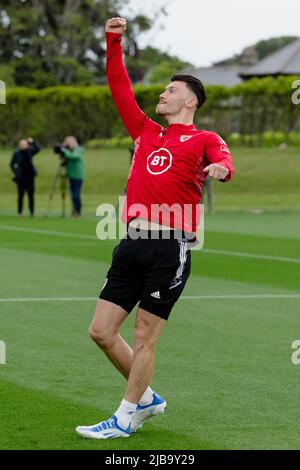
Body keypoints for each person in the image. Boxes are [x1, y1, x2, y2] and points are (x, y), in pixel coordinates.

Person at [76, 17, 234, 440]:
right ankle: (146, 400)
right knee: (101, 331)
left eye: (171, 90)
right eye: (164, 89)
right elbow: (119, 87)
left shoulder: (204, 139)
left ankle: (125, 417)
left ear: (189, 102)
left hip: (170, 247)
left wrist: (220, 168)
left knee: (145, 336)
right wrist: (112, 40)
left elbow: (225, 159)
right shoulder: (146, 131)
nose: (163, 94)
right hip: (131, 243)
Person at [10, 137, 40, 217]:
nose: (23, 146)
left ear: (27, 145)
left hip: (30, 177)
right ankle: (19, 212)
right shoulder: (16, 153)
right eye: (21, 144)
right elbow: (12, 164)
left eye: (24, 144)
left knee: (31, 196)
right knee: (20, 196)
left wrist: (33, 141)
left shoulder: (30, 151)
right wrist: (15, 172)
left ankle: (32, 212)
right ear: (19, 145)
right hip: (20, 178)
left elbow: (38, 148)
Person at [61, 136, 84, 217]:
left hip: (78, 175)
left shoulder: (78, 149)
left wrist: (65, 151)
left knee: (76, 194)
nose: (68, 145)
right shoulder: (68, 151)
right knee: (72, 195)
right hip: (70, 176)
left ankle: (78, 210)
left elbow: (74, 156)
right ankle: (74, 210)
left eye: (69, 143)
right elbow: (63, 161)